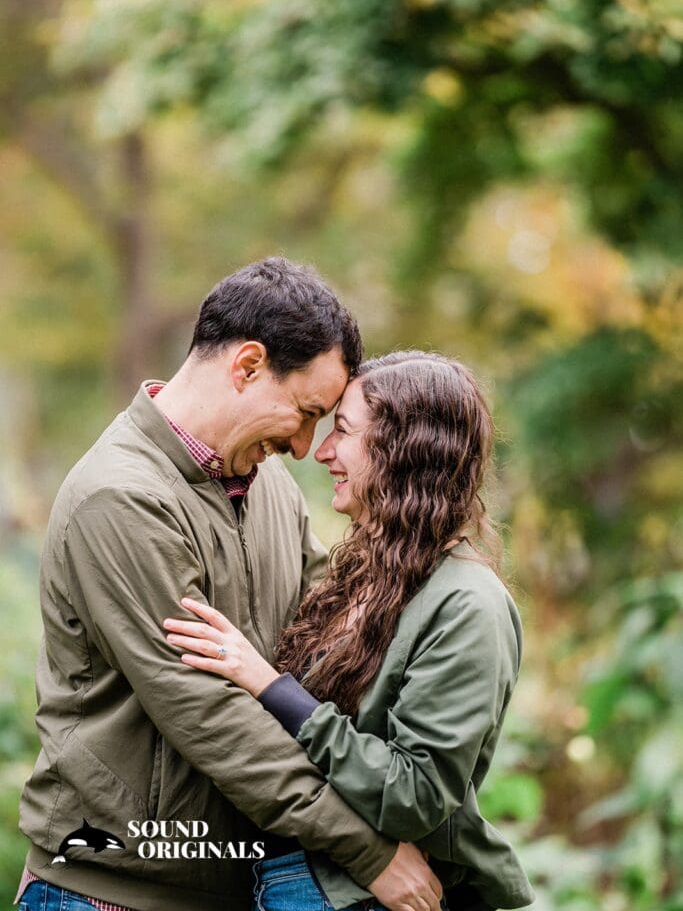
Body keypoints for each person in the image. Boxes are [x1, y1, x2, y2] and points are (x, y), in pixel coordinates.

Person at [17, 261, 443, 911]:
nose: (305, 446)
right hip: (111, 892)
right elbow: (208, 712)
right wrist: (370, 851)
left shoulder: (267, 485)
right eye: (304, 414)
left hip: (234, 882)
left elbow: (329, 635)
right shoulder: (122, 499)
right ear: (246, 366)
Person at [164, 351, 536, 911]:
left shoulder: (468, 605)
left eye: (342, 431)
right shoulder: (365, 576)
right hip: (293, 876)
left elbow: (415, 794)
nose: (322, 452)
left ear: (404, 452)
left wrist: (271, 688)